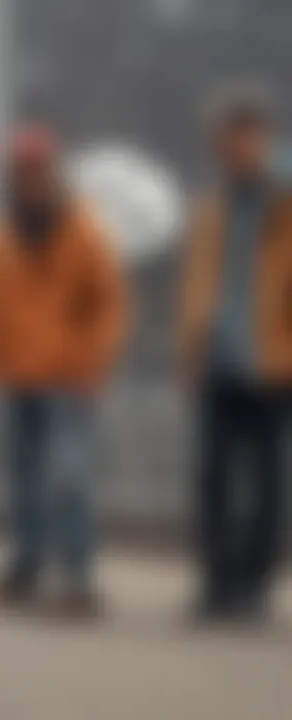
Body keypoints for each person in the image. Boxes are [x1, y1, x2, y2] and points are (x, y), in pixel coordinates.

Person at [0, 124, 128, 618]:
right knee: (23, 476)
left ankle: (76, 572)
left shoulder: (84, 229)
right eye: (20, 171)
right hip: (20, 372)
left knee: (68, 475)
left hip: (70, 375)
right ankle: (26, 563)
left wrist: (93, 360)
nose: (29, 180)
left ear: (52, 172)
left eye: (36, 170)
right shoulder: (0, 234)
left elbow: (109, 304)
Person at [179, 85, 292, 622]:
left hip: (273, 361)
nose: (232, 151)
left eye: (242, 140)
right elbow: (197, 281)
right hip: (218, 359)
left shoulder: (284, 203)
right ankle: (215, 581)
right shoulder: (210, 207)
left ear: (262, 140)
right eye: (224, 141)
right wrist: (189, 348)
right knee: (213, 477)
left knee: (267, 481)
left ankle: (252, 584)